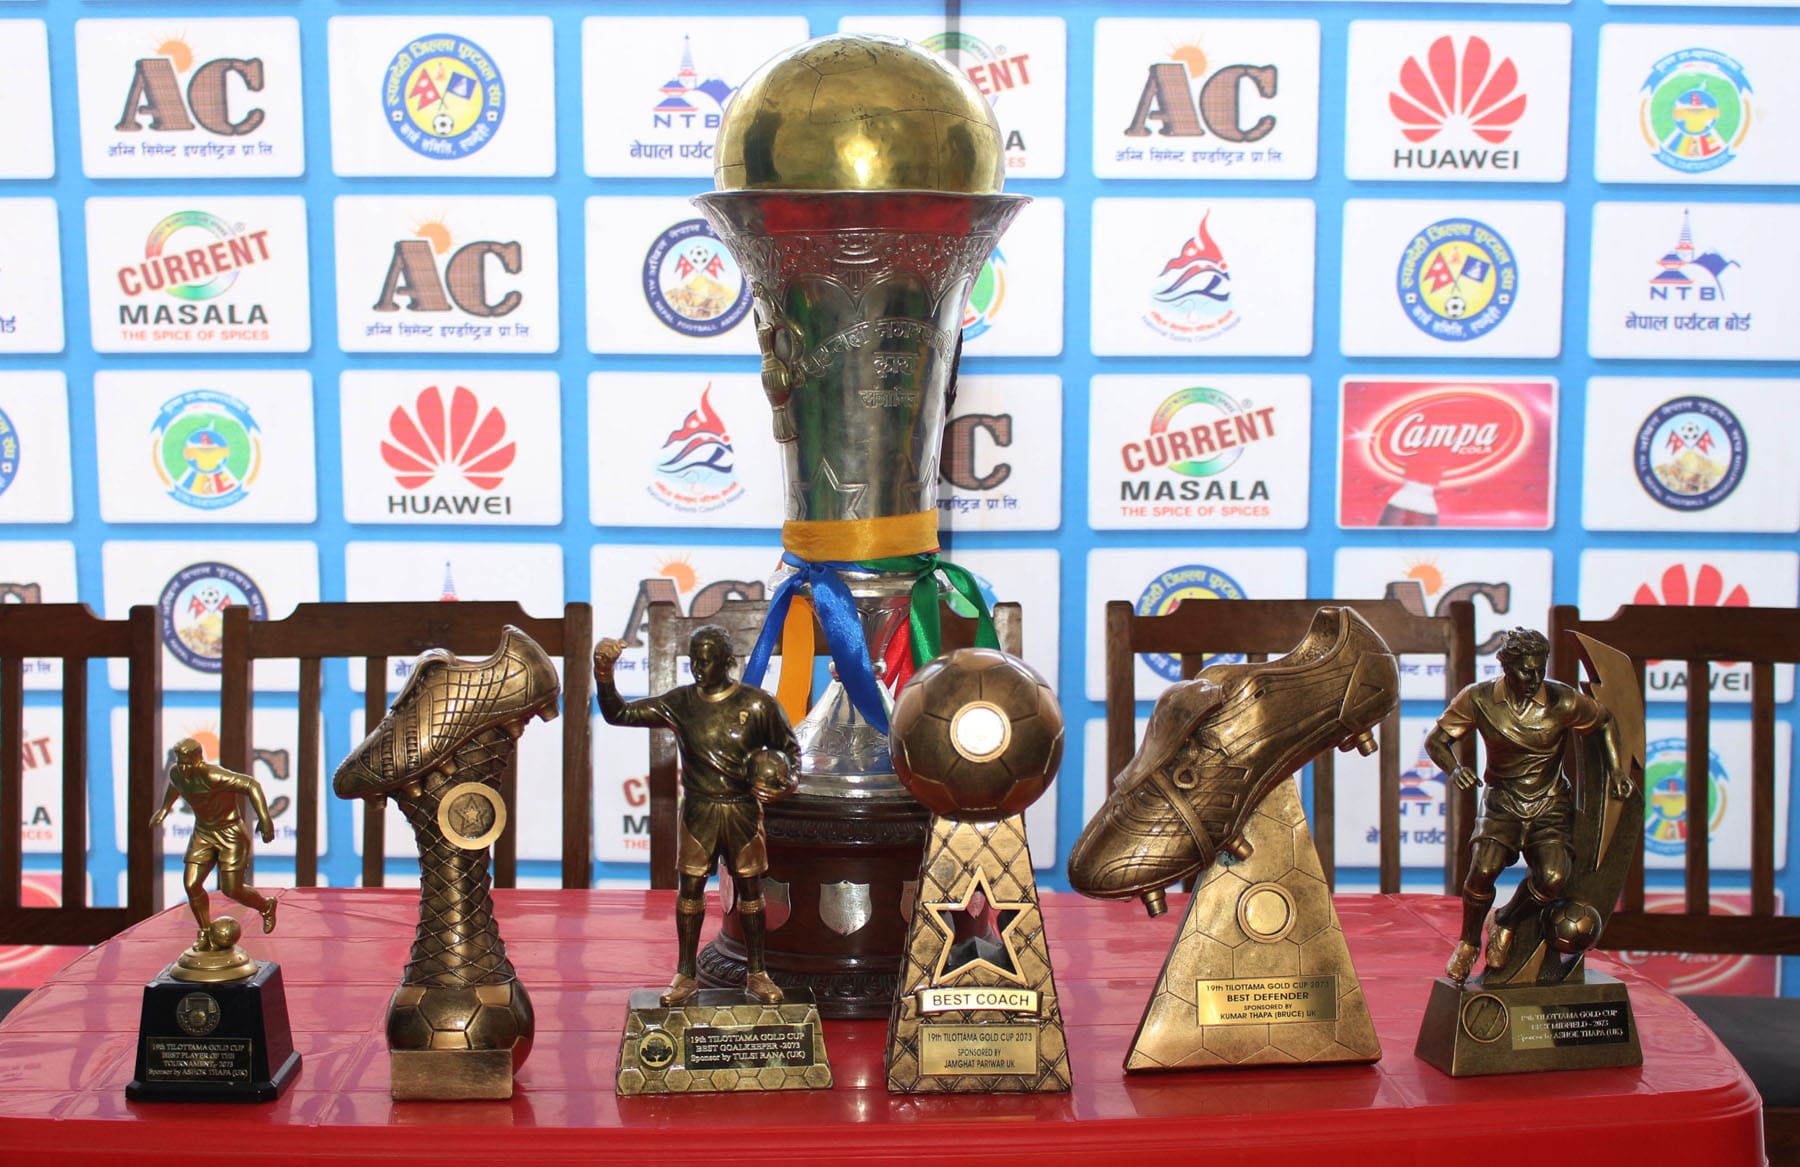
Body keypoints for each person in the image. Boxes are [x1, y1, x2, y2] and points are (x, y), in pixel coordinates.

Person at [594, 626, 800, 1006]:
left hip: (741, 810)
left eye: (706, 661)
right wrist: (604, 675)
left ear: (727, 662)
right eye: (694, 661)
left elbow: (791, 753)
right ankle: (686, 975)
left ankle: (757, 973)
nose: (699, 669)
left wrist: (784, 784)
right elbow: (619, 713)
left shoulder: (758, 706)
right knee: (689, 890)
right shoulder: (681, 702)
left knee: (751, 891)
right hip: (698, 810)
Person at [1428, 628, 1630, 983]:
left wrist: (1615, 769)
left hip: (1549, 805)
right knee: (1483, 871)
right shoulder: (1478, 698)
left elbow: (1604, 721)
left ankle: (1505, 921)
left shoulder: (1562, 701)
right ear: (1506, 665)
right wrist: (1455, 769)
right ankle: (1468, 942)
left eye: (1540, 669)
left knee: (1553, 877)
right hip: (1502, 802)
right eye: (1526, 671)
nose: (1535, 678)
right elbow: (1437, 741)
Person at [150, 738, 279, 949]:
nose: (184, 768)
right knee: (191, 884)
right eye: (180, 763)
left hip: (231, 833)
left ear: (199, 759)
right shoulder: (176, 773)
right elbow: (175, 786)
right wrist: (164, 809)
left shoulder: (214, 775)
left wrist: (264, 818)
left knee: (231, 889)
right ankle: (205, 932)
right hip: (203, 833)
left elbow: (251, 784)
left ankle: (266, 906)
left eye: (188, 763)